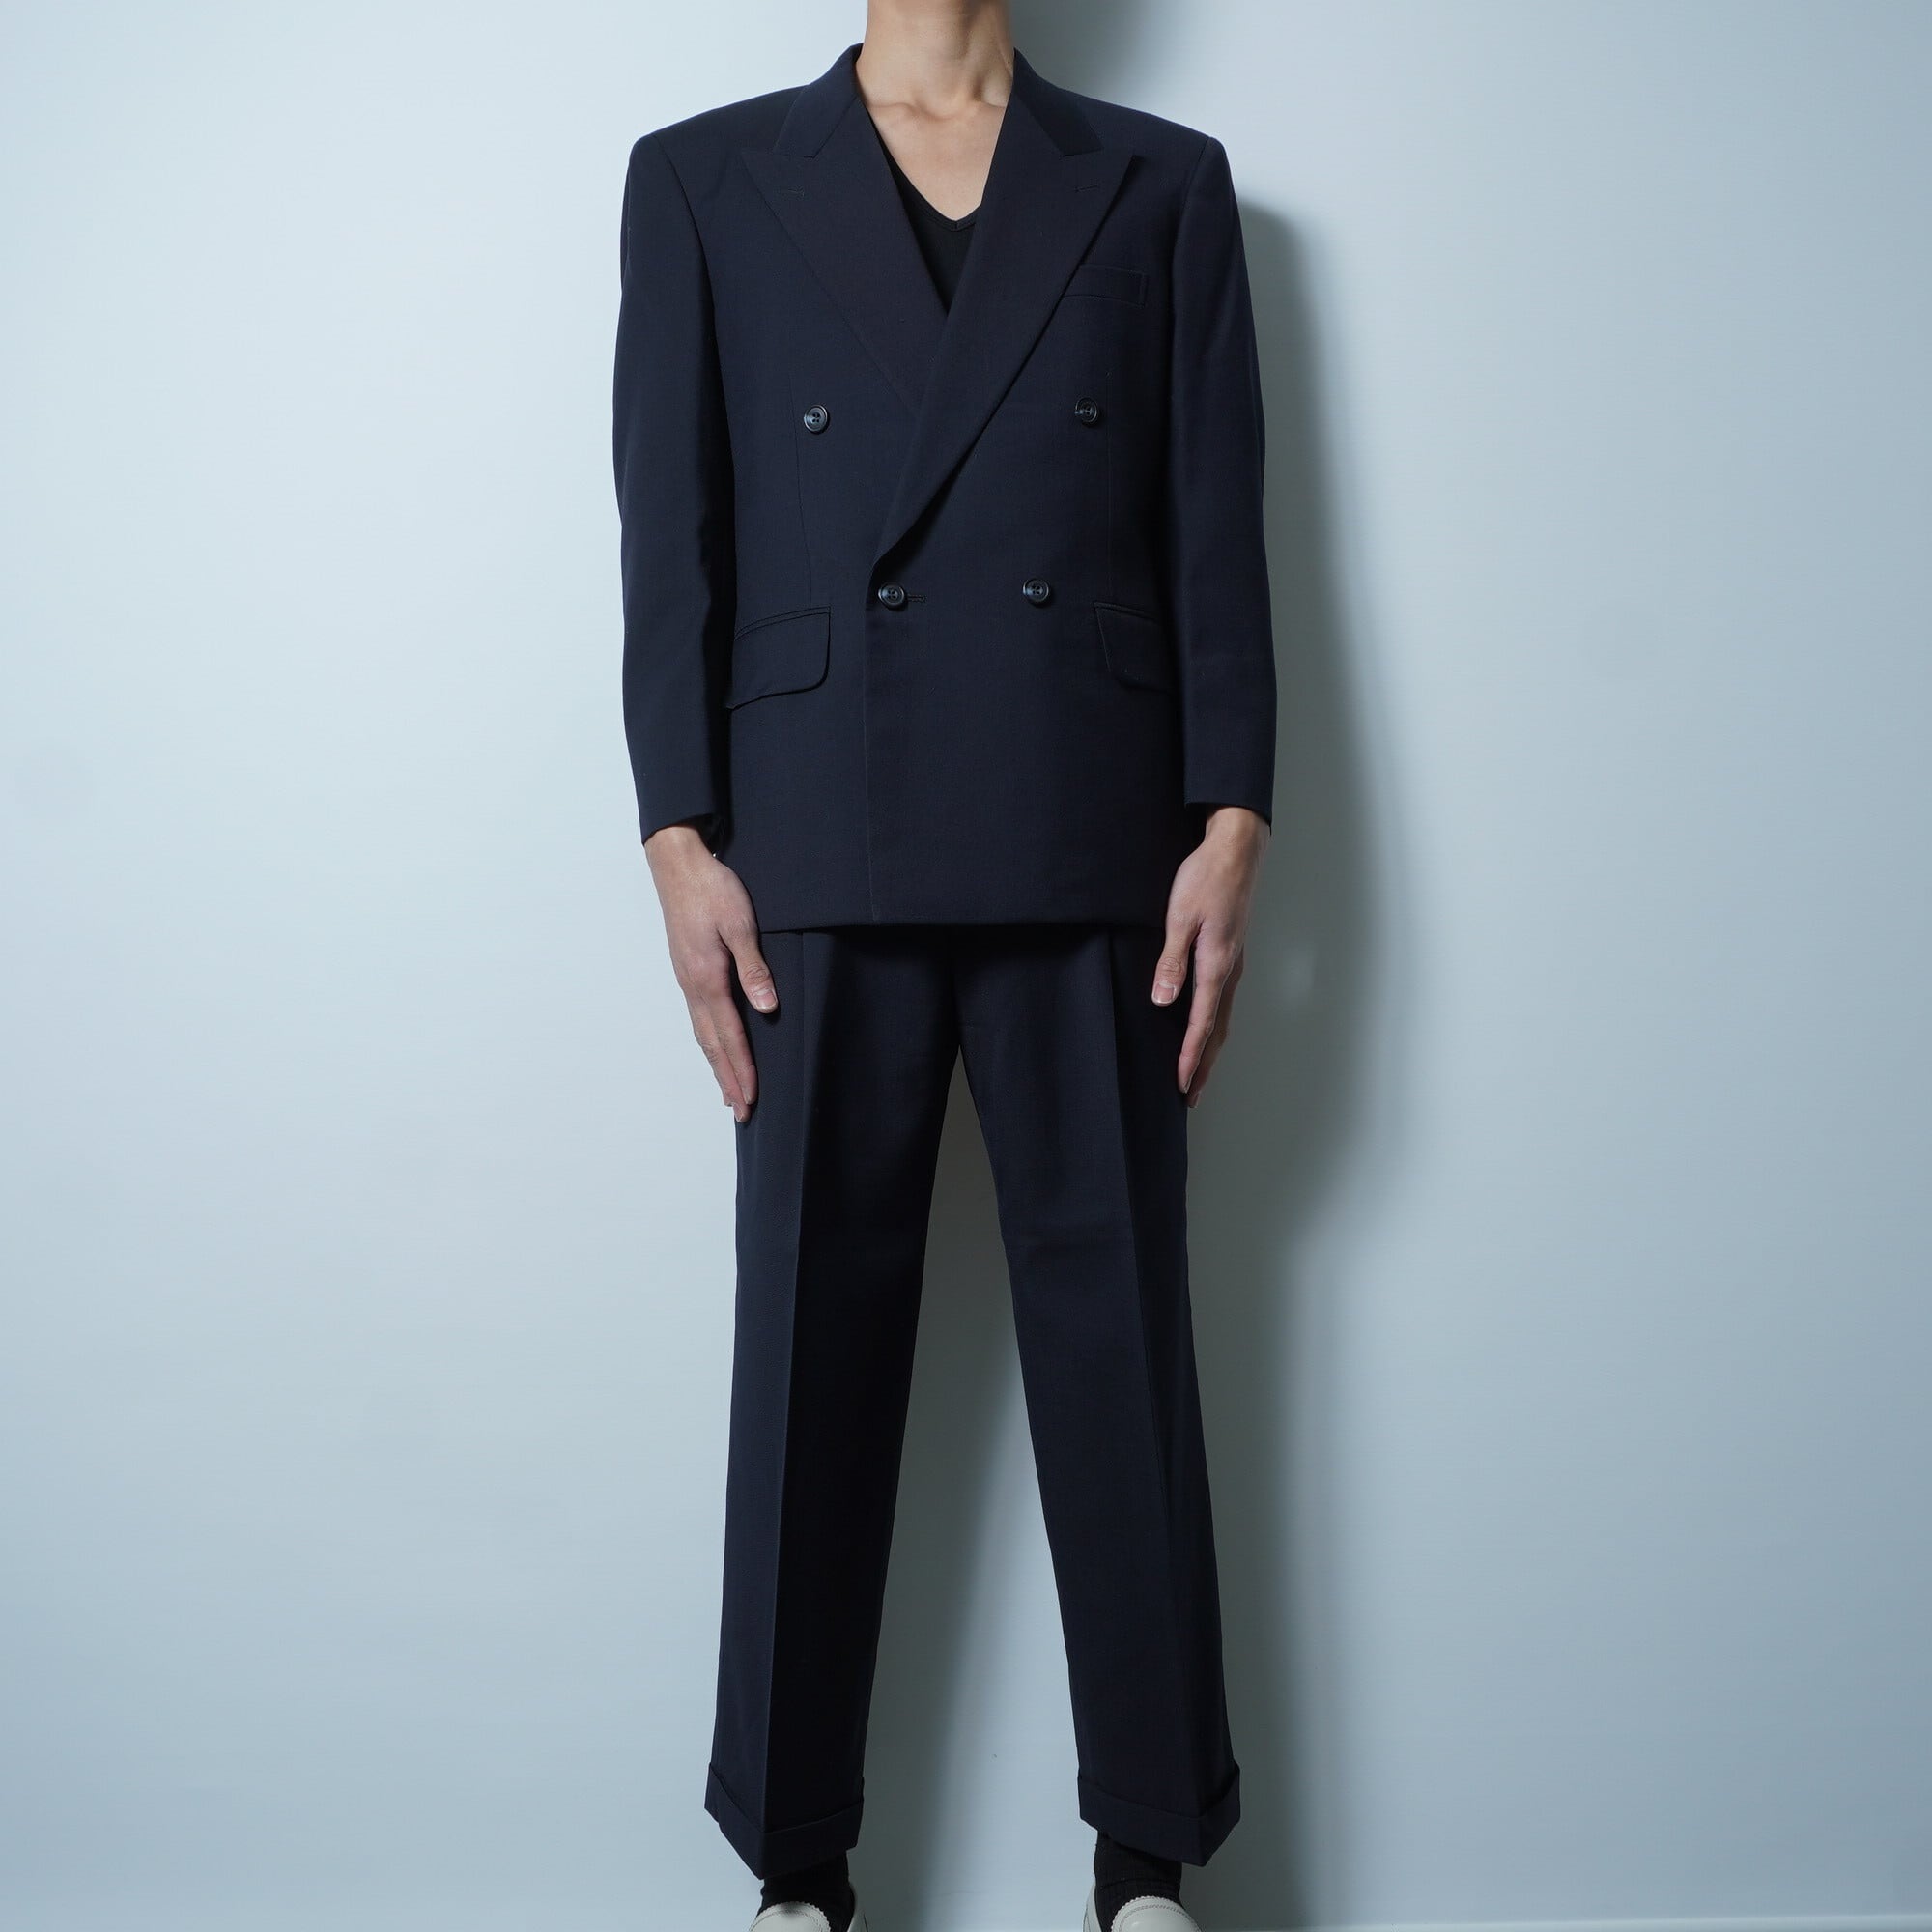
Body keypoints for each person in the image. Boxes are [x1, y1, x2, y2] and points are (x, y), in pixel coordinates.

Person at [611, 4, 1275, 1927]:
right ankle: (796, 1871)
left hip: (1095, 817)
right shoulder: (703, 178)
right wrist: (676, 835)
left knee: (1120, 1339)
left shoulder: (1161, 184)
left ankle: (1147, 1863)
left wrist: (1233, 810)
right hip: (814, 833)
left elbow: (1215, 527)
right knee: (808, 1347)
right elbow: (672, 534)